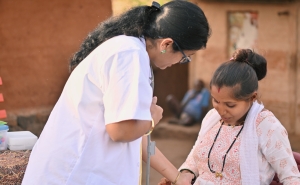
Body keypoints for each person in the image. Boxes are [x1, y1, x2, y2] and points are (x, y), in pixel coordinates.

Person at [22, 1, 211, 185]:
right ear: (166, 45)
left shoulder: (132, 53)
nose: (180, 62)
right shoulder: (129, 54)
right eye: (186, 57)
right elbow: (121, 131)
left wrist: (177, 177)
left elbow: (136, 135)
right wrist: (151, 119)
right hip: (73, 174)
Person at [159, 49, 300, 185]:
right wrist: (184, 174)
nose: (221, 111)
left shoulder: (266, 126)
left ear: (252, 97)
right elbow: (195, 157)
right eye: (216, 101)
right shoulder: (212, 118)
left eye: (230, 105)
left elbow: (291, 178)